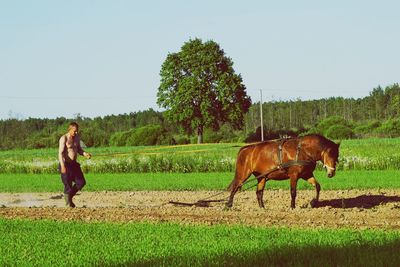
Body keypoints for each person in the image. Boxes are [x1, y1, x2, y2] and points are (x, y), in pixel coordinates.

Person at [58, 122, 91, 207]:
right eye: (74, 131)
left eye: (77, 131)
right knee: (68, 184)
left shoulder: (77, 138)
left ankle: (69, 197)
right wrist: (62, 166)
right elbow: (60, 153)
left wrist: (85, 154)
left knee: (81, 182)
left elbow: (79, 150)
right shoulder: (64, 138)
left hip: (74, 164)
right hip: (65, 164)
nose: (76, 133)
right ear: (70, 129)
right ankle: (68, 204)